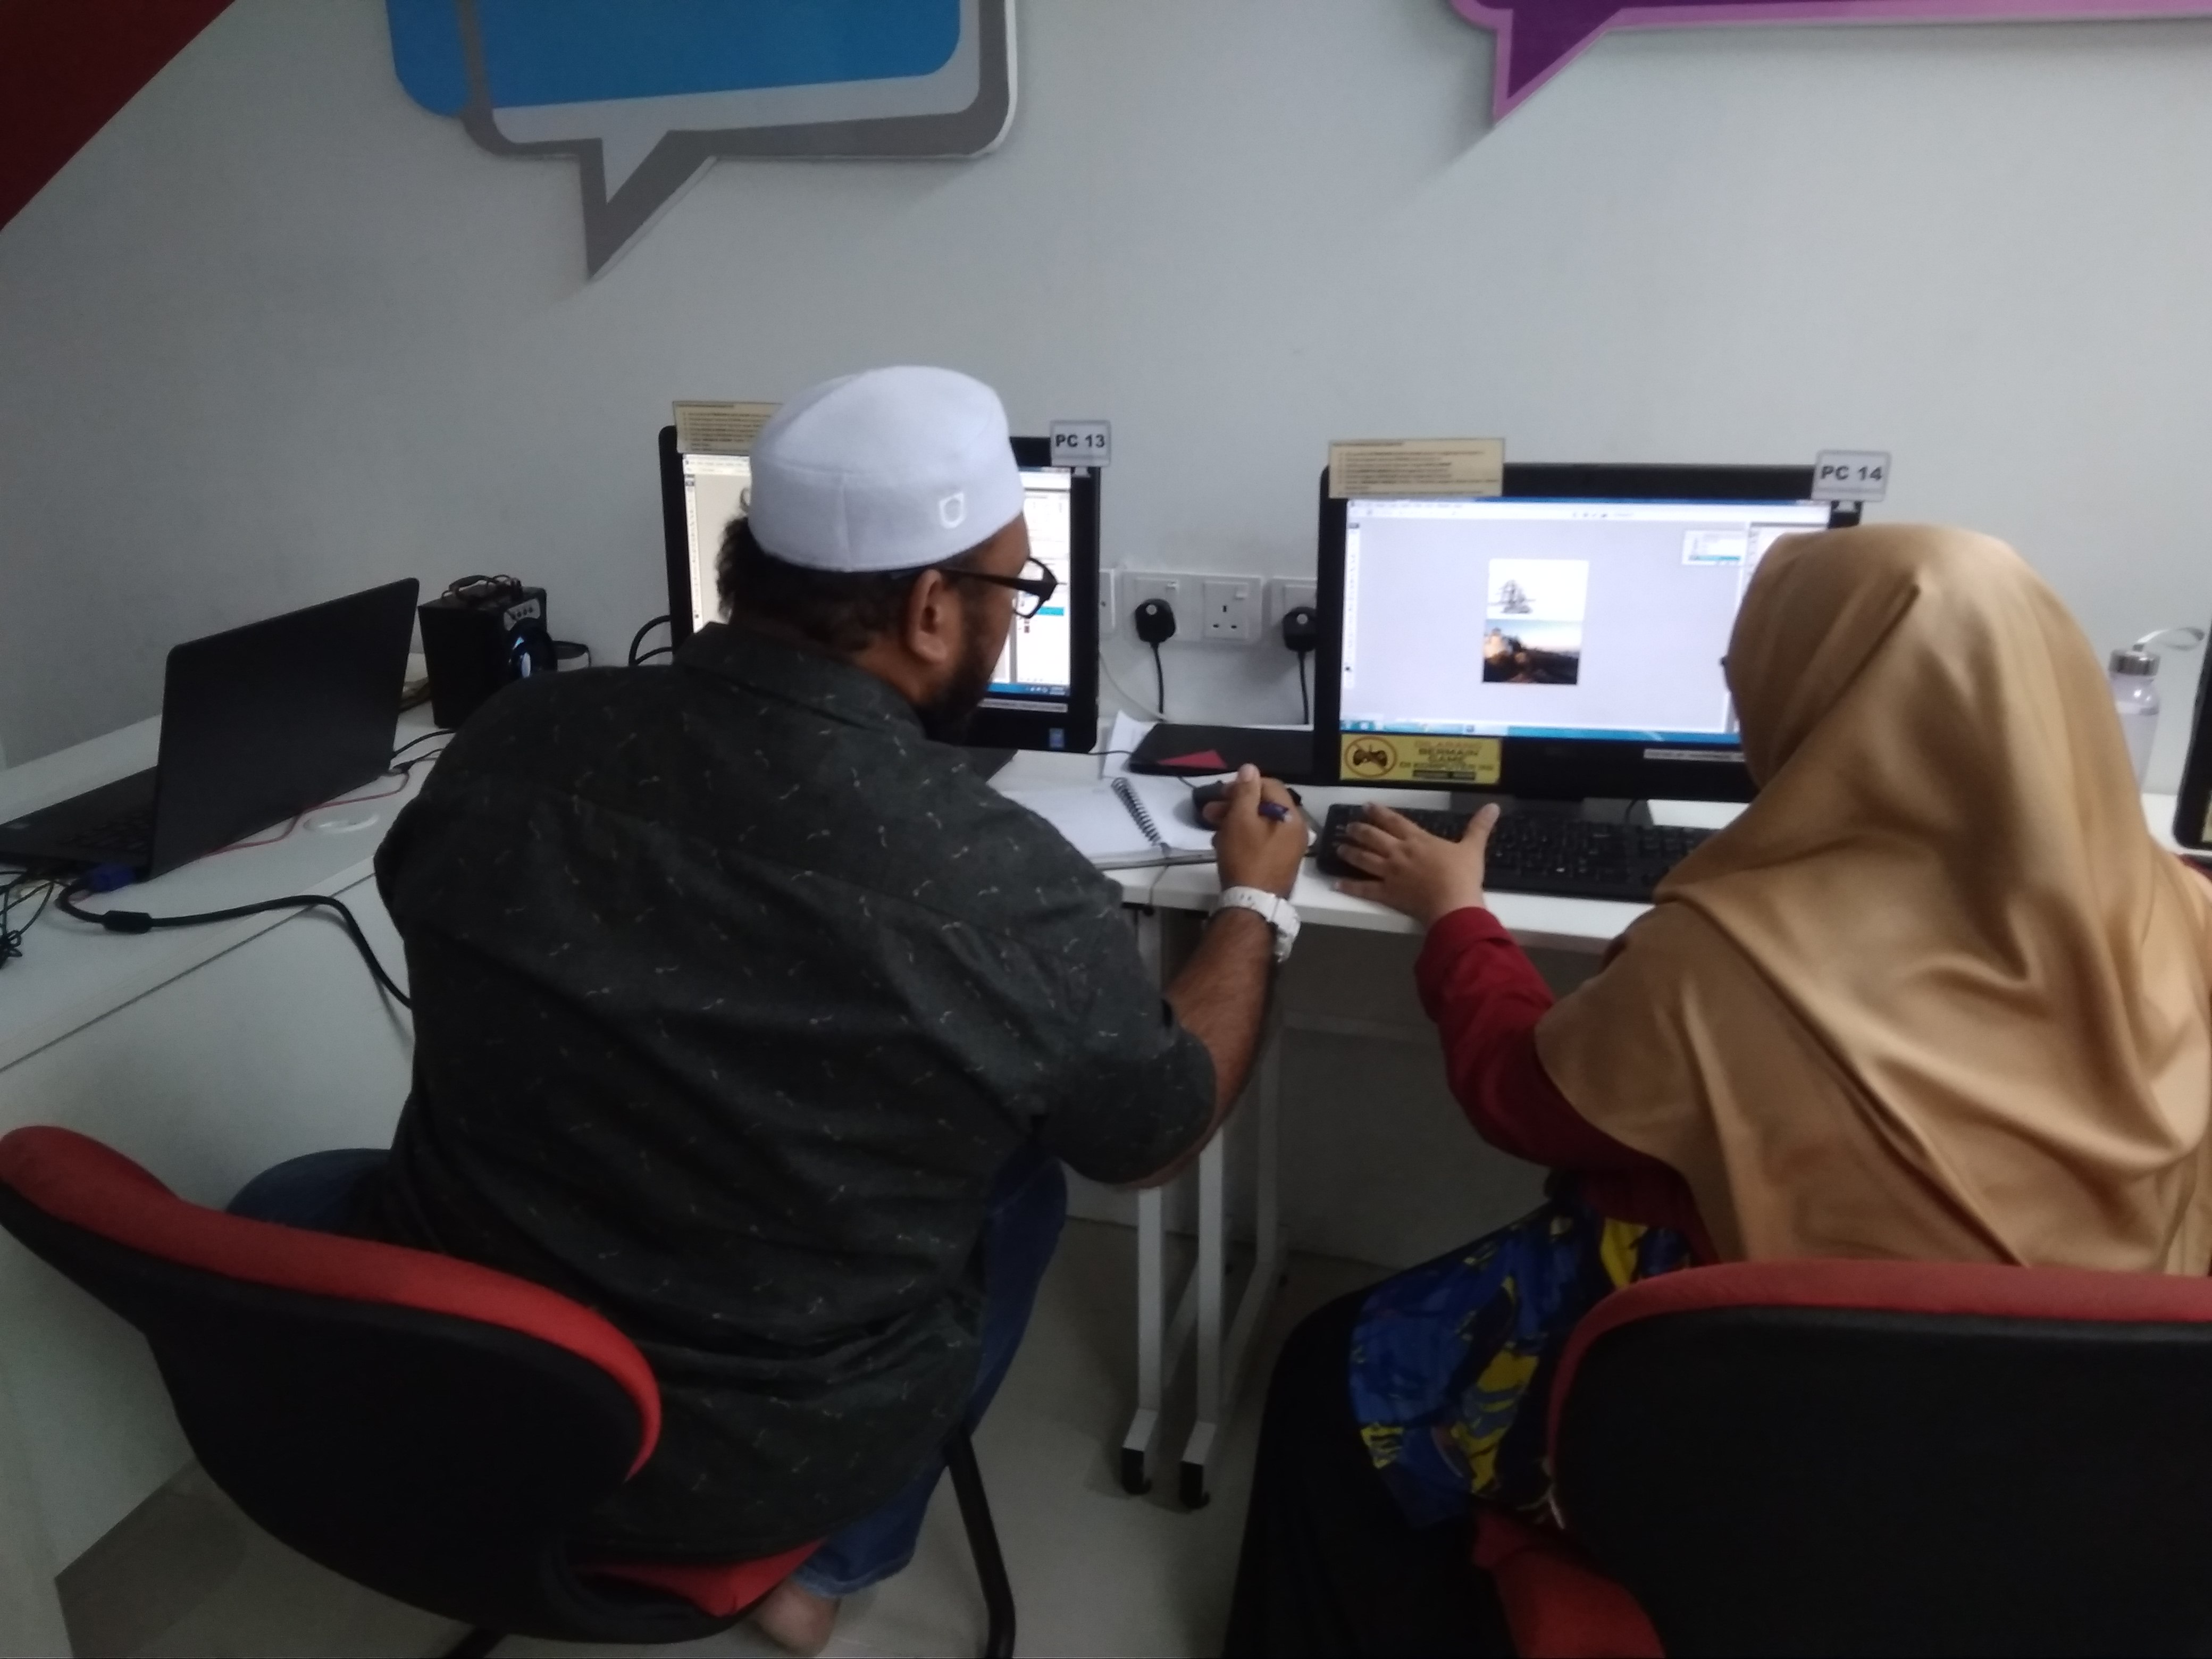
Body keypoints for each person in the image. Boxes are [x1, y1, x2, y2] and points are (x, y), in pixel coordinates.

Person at [227, 367, 1309, 1654]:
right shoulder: (998, 885)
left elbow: (429, 908)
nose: (1015, 616)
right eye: (1016, 590)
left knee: (315, 1185)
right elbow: (1155, 1137)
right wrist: (1254, 904)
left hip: (462, 1381)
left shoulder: (516, 738)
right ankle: (832, 1560)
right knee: (1019, 1169)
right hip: (747, 1466)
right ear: (928, 609)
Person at [1223, 523, 2212, 1656]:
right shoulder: (2184, 912)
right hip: (2092, 1451)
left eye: (1750, 683)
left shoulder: (1737, 956)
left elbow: (1518, 1095)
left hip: (1783, 1433)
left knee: (1329, 1369)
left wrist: (1457, 914)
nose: (1741, 714)